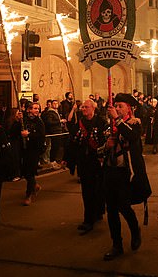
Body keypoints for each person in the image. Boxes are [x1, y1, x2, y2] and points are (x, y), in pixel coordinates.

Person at [101, 93, 144, 260]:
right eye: (116, 106)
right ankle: (116, 244)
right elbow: (99, 149)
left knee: (124, 207)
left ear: (128, 108)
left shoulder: (134, 123)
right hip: (110, 171)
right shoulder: (109, 126)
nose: (117, 109)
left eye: (120, 106)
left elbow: (132, 136)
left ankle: (135, 231)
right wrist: (106, 145)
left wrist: (117, 121)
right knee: (111, 210)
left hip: (126, 172)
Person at [64, 99, 107, 235]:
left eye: (86, 107)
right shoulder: (79, 123)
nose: (83, 109)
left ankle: (99, 211)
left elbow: (105, 141)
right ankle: (88, 220)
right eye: (82, 107)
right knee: (87, 191)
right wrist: (67, 159)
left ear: (93, 108)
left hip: (98, 162)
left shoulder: (101, 123)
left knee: (99, 189)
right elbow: (73, 142)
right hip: (84, 162)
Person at [13, 101, 45, 205]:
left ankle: (28, 195)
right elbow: (12, 131)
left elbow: (41, 136)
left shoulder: (39, 122)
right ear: (29, 110)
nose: (37, 111)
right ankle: (35, 185)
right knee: (25, 172)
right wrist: (17, 121)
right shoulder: (24, 120)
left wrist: (29, 135)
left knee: (30, 172)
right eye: (35, 108)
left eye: (38, 109)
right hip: (23, 149)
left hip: (34, 150)